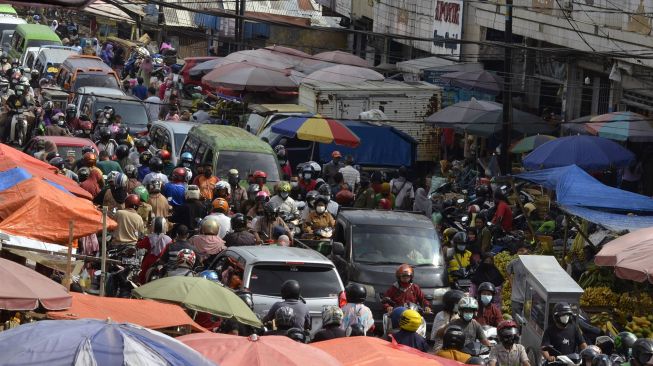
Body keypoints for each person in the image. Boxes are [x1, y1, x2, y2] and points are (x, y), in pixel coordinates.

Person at [137, 217, 172, 284]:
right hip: (163, 261)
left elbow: (139, 245)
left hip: (150, 261)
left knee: (142, 275)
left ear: (153, 226)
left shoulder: (149, 237)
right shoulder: (169, 239)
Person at [506, 246, 529, 320]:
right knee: (516, 319)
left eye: (523, 250)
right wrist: (511, 283)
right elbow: (507, 272)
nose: (521, 252)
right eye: (520, 251)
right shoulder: (514, 263)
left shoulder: (531, 263)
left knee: (527, 321)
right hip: (516, 297)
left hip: (529, 298)